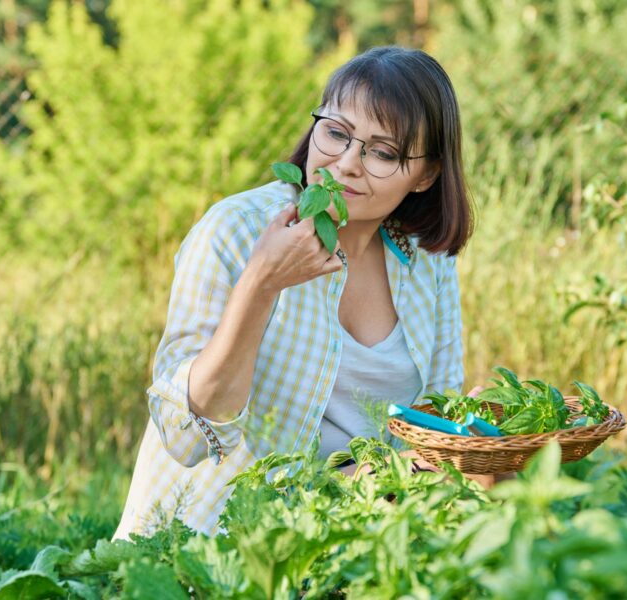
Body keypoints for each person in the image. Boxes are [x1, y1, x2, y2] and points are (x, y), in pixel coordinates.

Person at [113, 46, 475, 540]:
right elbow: (187, 434)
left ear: (427, 175)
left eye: (383, 152)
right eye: (336, 132)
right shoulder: (235, 232)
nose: (346, 163)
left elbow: (434, 418)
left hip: (355, 538)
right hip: (210, 544)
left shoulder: (427, 262)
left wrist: (461, 439)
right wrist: (262, 281)